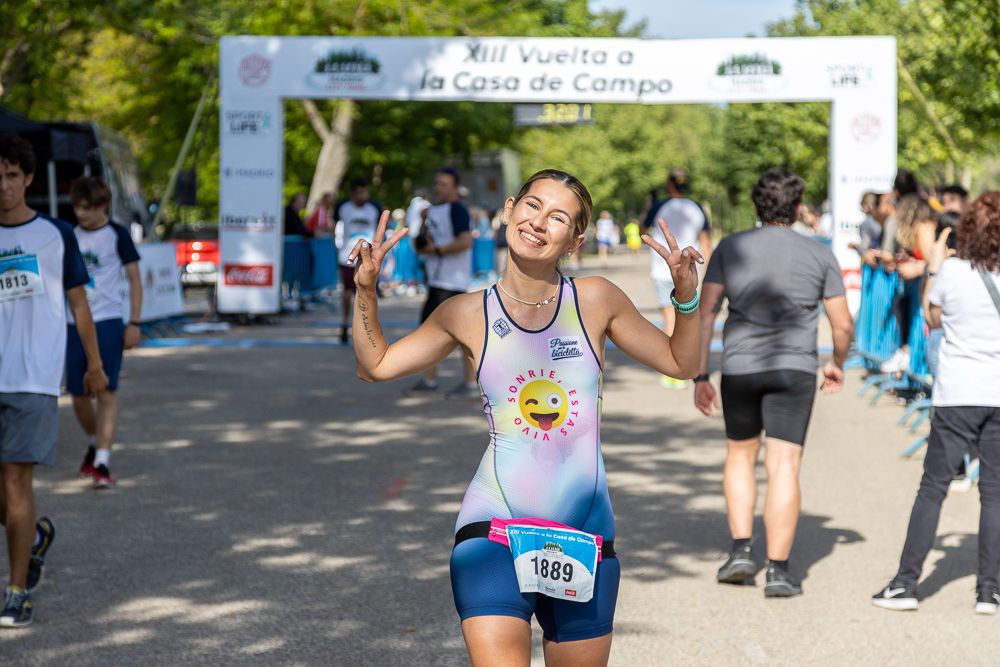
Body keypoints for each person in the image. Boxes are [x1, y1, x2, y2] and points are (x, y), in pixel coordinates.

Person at [350, 168, 702, 666]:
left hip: (585, 535)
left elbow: (681, 363)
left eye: (558, 217)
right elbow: (375, 365)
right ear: (510, 208)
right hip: (492, 530)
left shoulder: (596, 299)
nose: (539, 222)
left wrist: (686, 298)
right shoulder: (465, 312)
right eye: (533, 206)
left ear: (576, 240)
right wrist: (365, 289)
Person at [694, 168, 853, 597]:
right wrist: (836, 362)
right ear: (798, 207)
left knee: (740, 457)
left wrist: (700, 373)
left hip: (741, 367)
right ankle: (779, 571)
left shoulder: (732, 247)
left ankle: (742, 550)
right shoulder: (819, 254)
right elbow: (842, 324)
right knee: (784, 465)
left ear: (756, 205)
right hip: (795, 369)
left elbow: (706, 312)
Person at [872, 192, 1000, 614]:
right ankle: (989, 590)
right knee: (995, 495)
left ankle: (906, 582)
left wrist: (934, 268)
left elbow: (931, 316)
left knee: (933, 489)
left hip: (958, 392)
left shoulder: (953, 271)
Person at [0, 134, 108, 628]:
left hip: (31, 377)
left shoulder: (55, 235)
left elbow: (79, 304)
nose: (3, 186)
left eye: (11, 176)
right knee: (7, 495)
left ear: (26, 178)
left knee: (16, 481)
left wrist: (93, 364)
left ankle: (16, 589)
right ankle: (35, 536)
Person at [68, 177, 143, 489]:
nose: (80, 214)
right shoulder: (68, 235)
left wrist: (134, 323)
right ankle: (94, 440)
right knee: (78, 394)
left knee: (108, 392)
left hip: (108, 321)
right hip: (73, 324)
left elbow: (135, 280)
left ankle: (102, 460)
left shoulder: (117, 234)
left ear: (103, 206)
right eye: (76, 208)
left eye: (87, 208)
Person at [409, 167, 476, 399]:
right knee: (434, 331)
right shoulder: (433, 211)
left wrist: (436, 249)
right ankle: (434, 379)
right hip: (438, 281)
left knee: (452, 334)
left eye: (444, 184)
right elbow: (421, 244)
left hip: (452, 282)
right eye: (437, 183)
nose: (439, 188)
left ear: (455, 188)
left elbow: (465, 242)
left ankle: (468, 383)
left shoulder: (457, 210)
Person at [645, 168, 713, 390]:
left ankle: (672, 370)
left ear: (670, 185)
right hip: (689, 272)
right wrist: (708, 270)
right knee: (687, 319)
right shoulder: (697, 208)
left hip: (662, 269)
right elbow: (705, 242)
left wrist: (648, 205)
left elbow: (640, 227)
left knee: (670, 320)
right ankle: (684, 367)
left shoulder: (659, 206)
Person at [879, 195, 936, 373]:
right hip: (917, 291)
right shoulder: (917, 229)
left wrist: (918, 268)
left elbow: (934, 261)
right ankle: (908, 360)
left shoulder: (923, 227)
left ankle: (917, 369)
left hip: (927, 291)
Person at [334, 177, 383, 344]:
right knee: (348, 292)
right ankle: (345, 323)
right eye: (359, 193)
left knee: (365, 293)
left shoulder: (374, 208)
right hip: (346, 255)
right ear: (353, 194)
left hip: (367, 257)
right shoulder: (343, 207)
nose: (362, 196)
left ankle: (364, 327)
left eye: (364, 192)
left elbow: (379, 230)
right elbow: (334, 227)